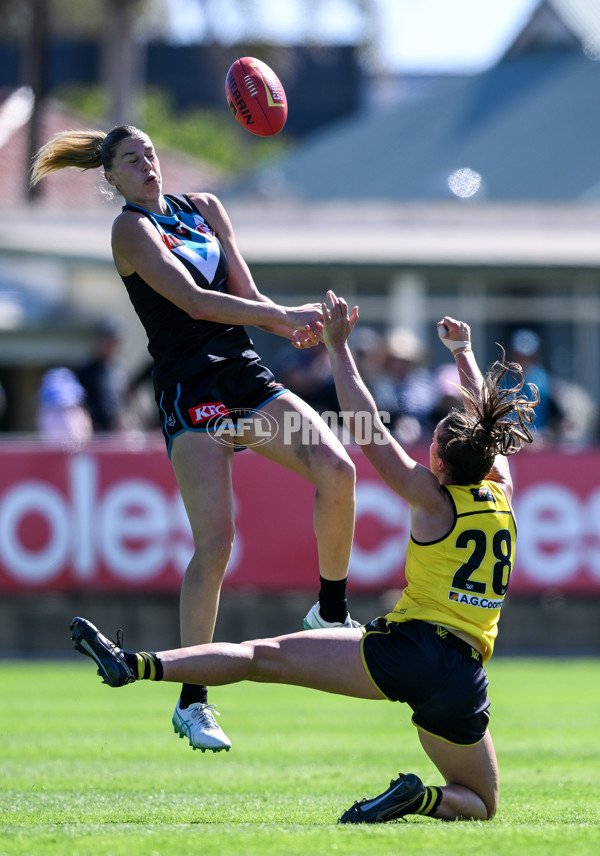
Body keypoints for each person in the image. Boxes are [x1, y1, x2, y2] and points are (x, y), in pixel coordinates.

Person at [70, 295, 539, 823]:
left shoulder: (431, 498)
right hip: (462, 675)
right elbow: (488, 426)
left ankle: (134, 664)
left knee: (259, 656)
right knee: (480, 805)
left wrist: (341, 349)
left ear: (437, 458)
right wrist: (464, 353)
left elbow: (367, 427)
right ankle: (419, 797)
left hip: (404, 651)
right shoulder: (503, 492)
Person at [31, 127, 357, 753]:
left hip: (244, 378)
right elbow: (195, 303)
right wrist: (279, 319)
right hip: (191, 389)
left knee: (337, 470)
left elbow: (247, 296)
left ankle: (332, 612)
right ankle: (192, 700)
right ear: (112, 178)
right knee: (216, 544)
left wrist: (295, 324)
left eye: (150, 153)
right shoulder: (129, 231)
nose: (147, 163)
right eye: (132, 159)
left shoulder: (205, 209)